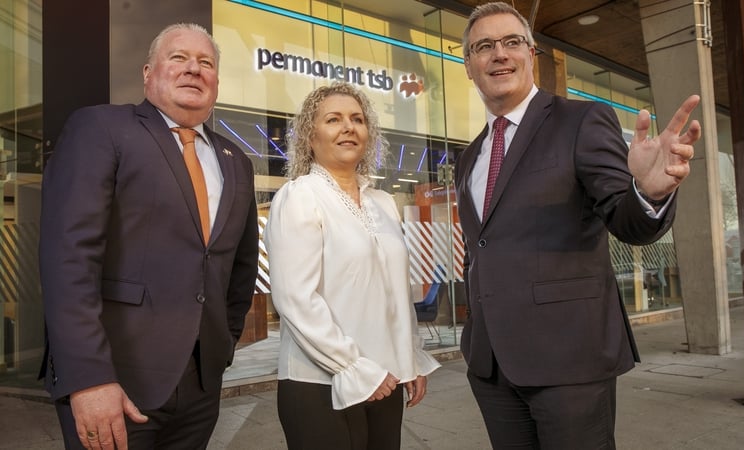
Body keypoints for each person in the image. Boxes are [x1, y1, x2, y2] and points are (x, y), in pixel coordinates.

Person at [455, 3, 702, 449]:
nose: (499, 54)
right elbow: (482, 248)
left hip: (569, 359)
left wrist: (649, 192)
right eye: (484, 46)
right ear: (468, 65)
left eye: (512, 42)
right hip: (491, 363)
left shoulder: (581, 121)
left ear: (532, 54)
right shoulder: (470, 157)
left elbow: (626, 222)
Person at [39, 23, 259, 449]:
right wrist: (89, 378)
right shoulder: (101, 128)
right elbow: (69, 259)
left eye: (206, 63)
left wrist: (222, 346)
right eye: (178, 58)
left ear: (216, 82)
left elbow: (239, 268)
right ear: (147, 73)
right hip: (114, 382)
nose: (194, 69)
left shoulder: (237, 163)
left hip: (200, 387)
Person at [264, 81, 440, 450]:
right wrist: (354, 366)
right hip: (322, 383)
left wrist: (410, 358)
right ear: (310, 138)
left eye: (357, 119)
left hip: (386, 380)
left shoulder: (383, 202)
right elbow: (296, 299)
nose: (348, 127)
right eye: (333, 119)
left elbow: (394, 292)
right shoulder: (299, 197)